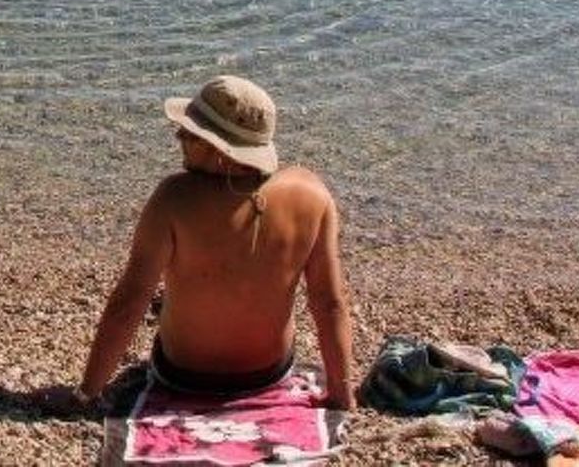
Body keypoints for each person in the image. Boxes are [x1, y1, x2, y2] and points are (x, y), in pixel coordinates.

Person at [48, 76, 353, 413]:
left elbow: (128, 302)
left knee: (159, 300)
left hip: (183, 376)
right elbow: (330, 303)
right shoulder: (312, 195)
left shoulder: (173, 199)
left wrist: (86, 395)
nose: (179, 136)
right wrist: (342, 396)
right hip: (267, 376)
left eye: (192, 134)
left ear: (222, 151)